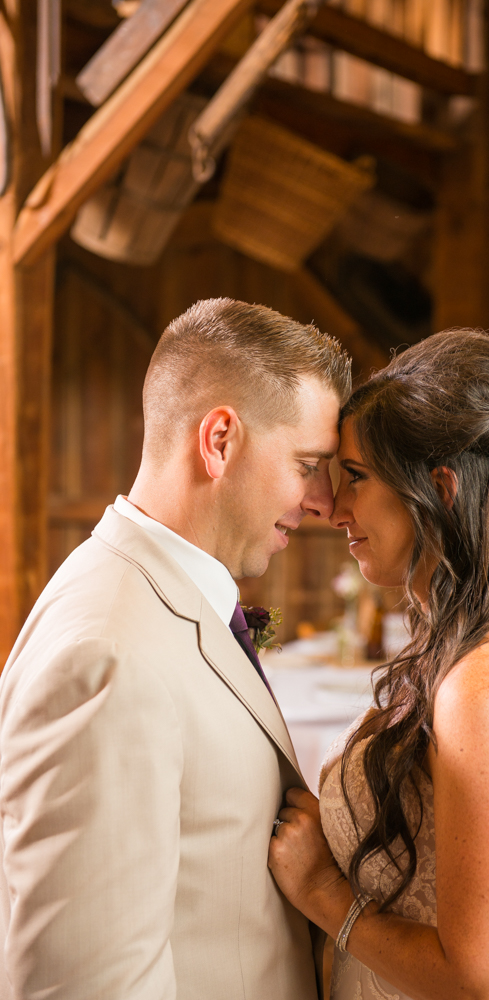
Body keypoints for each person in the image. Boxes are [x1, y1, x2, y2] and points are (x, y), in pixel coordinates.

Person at [0, 298, 351, 1000]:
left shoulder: (166, 599)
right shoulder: (108, 657)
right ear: (219, 440)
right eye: (307, 464)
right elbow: (86, 986)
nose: (321, 501)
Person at [269, 329, 489, 1000]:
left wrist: (319, 889)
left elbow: (486, 980)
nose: (335, 507)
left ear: (440, 489)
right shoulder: (464, 651)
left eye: (358, 478)